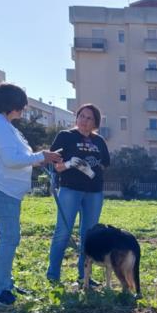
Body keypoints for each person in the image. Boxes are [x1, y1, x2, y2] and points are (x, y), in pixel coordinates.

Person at [0, 83, 61, 307]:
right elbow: (11, 160)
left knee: (10, 237)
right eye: (21, 107)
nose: (22, 112)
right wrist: (41, 155)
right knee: (9, 237)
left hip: (7, 189)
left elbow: (20, 156)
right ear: (11, 105)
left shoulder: (5, 125)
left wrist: (41, 158)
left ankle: (6, 283)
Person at [46, 104, 110, 285]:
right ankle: (53, 276)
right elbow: (54, 165)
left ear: (95, 122)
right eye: (81, 116)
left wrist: (92, 169)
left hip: (94, 192)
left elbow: (105, 163)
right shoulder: (65, 137)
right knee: (63, 232)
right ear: (76, 118)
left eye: (89, 118)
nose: (84, 120)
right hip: (70, 190)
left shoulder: (99, 141)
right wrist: (68, 164)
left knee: (88, 235)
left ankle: (85, 276)